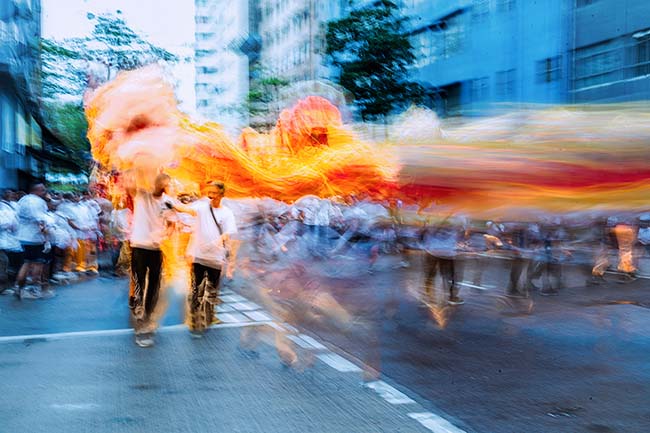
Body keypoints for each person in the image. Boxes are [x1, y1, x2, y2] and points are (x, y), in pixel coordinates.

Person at [126, 173, 180, 347]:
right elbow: (130, 186)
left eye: (165, 183)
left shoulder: (168, 202)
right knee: (139, 283)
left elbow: (171, 226)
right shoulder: (142, 195)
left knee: (154, 286)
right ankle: (140, 321)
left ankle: (148, 316)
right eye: (159, 181)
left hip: (156, 249)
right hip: (139, 247)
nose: (162, 185)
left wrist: (163, 235)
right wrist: (132, 169)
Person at [184, 181, 237, 338]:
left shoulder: (226, 213)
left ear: (221, 195)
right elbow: (186, 209)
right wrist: (170, 203)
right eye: (209, 192)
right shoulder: (201, 207)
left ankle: (206, 320)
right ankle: (195, 324)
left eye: (214, 193)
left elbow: (229, 231)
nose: (211, 195)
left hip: (215, 259)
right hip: (199, 257)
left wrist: (220, 239)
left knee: (211, 292)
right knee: (196, 290)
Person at [14, 183, 50, 299]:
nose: (45, 192)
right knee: (38, 263)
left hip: (23, 237)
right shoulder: (38, 202)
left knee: (26, 262)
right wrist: (46, 237)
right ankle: (34, 288)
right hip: (35, 237)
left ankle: (18, 287)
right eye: (43, 190)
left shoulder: (23, 200)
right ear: (37, 190)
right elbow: (41, 220)